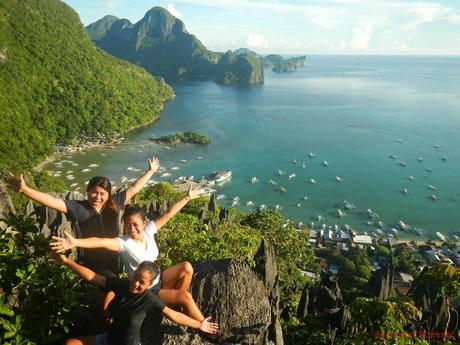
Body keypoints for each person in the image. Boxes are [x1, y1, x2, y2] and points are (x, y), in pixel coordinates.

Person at [51, 184, 204, 320]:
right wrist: (75, 242)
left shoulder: (149, 231)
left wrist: (187, 197)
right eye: (127, 225)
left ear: (144, 223)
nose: (131, 229)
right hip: (145, 291)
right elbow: (101, 241)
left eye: (135, 224)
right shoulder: (123, 243)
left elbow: (168, 214)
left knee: (186, 267)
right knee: (185, 297)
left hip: (158, 281)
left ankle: (171, 305)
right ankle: (208, 329)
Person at [8, 157, 160, 277]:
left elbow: (134, 187)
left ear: (108, 194)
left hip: (115, 257)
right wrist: (24, 190)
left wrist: (151, 171)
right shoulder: (78, 207)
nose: (98, 197)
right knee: (110, 288)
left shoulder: (114, 203)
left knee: (115, 286)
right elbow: (52, 202)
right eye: (94, 192)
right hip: (93, 261)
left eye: (102, 193)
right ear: (87, 191)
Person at [50, 253, 218, 345]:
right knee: (71, 343)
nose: (136, 283)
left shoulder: (149, 300)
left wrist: (200, 324)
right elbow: (92, 276)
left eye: (142, 282)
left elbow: (174, 316)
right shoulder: (122, 284)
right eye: (135, 276)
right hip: (108, 339)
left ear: (150, 285)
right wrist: (66, 262)